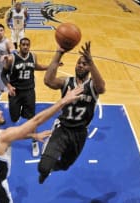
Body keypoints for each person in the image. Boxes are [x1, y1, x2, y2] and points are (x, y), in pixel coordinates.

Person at [0, 86, 83, 203]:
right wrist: (63, 101)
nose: (0, 111)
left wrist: (33, 136)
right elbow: (36, 121)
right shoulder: (3, 136)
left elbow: (13, 136)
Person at [38, 41, 106, 184]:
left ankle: (52, 167)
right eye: (78, 63)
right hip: (62, 129)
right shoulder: (66, 82)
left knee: (65, 165)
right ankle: (45, 170)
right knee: (43, 167)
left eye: (84, 63)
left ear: (89, 67)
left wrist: (91, 61)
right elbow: (48, 80)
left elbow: (102, 88)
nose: (80, 65)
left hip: (79, 133)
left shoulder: (93, 86)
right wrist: (59, 54)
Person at [1, 37, 48, 157]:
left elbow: (36, 66)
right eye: (23, 45)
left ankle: (34, 142)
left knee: (32, 120)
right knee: (14, 118)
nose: (26, 47)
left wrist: (50, 67)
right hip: (15, 93)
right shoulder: (11, 59)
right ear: (19, 46)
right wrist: (9, 86)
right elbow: (2, 75)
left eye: (28, 45)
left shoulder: (33, 56)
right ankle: (22, 113)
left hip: (29, 92)